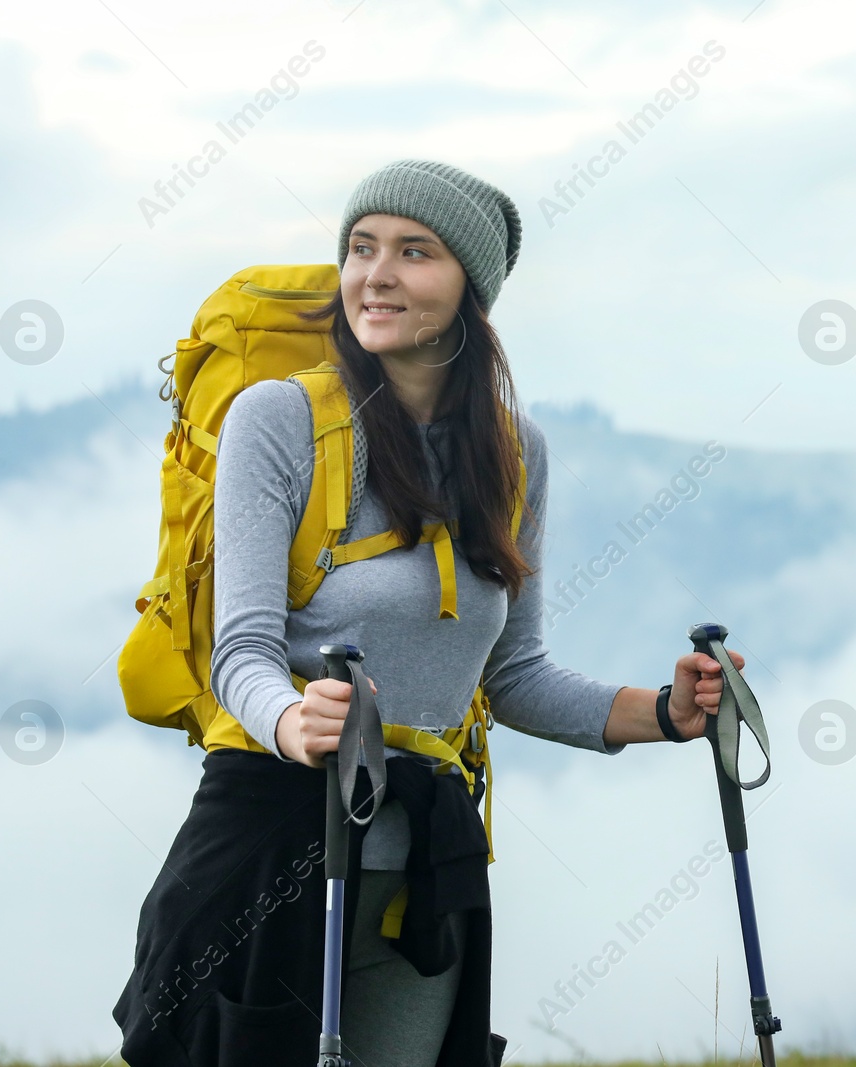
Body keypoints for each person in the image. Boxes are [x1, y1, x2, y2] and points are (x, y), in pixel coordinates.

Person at [203, 158, 743, 1065]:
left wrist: (668, 711)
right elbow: (240, 652)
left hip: (428, 866)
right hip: (277, 843)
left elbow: (514, 674)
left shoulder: (512, 450)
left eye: (414, 251)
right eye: (360, 247)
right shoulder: (279, 419)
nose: (377, 273)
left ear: (470, 287)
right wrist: (295, 719)